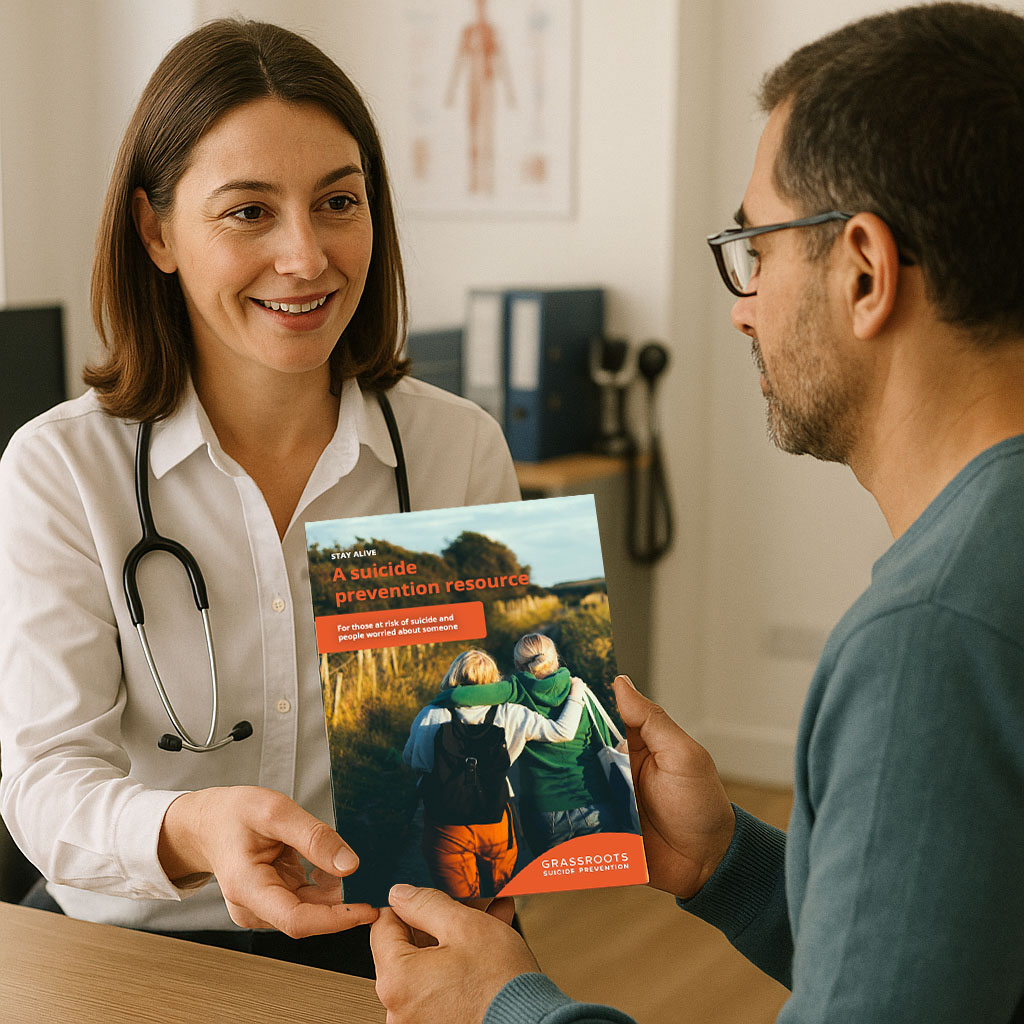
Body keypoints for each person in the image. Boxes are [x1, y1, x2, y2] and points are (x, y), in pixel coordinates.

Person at [371, 3, 1024, 1019]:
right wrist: (727, 857)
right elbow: (950, 959)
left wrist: (508, 1007)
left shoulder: (928, 639)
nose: (739, 302)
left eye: (756, 247)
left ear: (863, 268)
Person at [0, 18, 518, 978]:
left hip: (384, 937)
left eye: (338, 202)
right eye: (248, 211)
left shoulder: (457, 451)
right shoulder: (61, 467)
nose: (306, 257)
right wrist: (194, 826)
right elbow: (45, 785)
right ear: (156, 232)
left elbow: (487, 754)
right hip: (133, 943)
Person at [403, 649, 585, 898]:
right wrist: (576, 694)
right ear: (494, 679)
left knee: (463, 906)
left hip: (446, 824)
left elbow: (415, 761)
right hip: (496, 817)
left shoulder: (432, 713)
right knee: (500, 897)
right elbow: (561, 731)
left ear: (453, 676)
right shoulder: (511, 712)